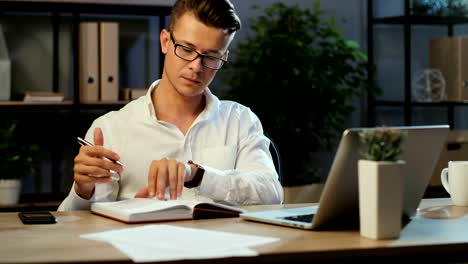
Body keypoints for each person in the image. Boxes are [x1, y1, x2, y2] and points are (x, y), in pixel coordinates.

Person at [58, 0, 283, 211]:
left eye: (211, 56)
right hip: (142, 250)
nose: (196, 66)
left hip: (221, 250)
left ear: (223, 56)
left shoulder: (240, 121)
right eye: (186, 49)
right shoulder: (111, 128)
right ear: (166, 42)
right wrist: (82, 191)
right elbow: (83, 223)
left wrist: (197, 175)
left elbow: (272, 194)